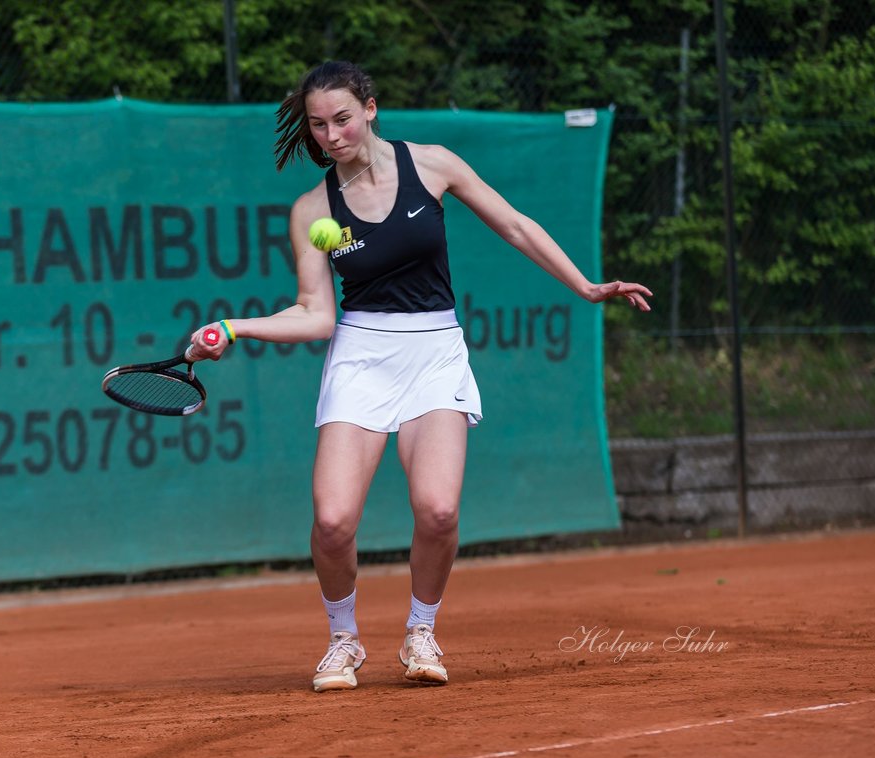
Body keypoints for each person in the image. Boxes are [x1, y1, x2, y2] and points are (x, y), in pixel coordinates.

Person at [189, 60, 651, 692]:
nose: (331, 135)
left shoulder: (431, 165)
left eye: (342, 118)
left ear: (371, 108)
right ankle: (344, 640)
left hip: (435, 352)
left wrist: (586, 286)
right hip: (360, 356)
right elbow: (316, 315)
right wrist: (236, 328)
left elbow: (515, 224)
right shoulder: (313, 212)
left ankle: (421, 630)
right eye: (318, 125)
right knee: (331, 522)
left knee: (437, 510)